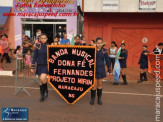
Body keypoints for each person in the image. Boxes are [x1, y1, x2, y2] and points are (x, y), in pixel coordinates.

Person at [90, 37, 110, 105]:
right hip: (93, 69)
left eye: (100, 43)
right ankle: (92, 99)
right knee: (93, 85)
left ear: (102, 43)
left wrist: (109, 68)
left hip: (101, 69)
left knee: (100, 85)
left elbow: (107, 60)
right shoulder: (92, 49)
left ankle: (99, 98)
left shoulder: (104, 50)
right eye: (98, 43)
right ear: (96, 43)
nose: (99, 44)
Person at [31, 33, 49, 102]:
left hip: (46, 65)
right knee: (40, 81)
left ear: (47, 39)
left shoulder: (49, 47)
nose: (43, 39)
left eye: (44, 38)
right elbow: (34, 57)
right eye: (42, 38)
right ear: (40, 39)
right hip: (39, 65)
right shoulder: (37, 46)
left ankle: (46, 90)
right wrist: (32, 66)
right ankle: (42, 96)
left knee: (42, 78)